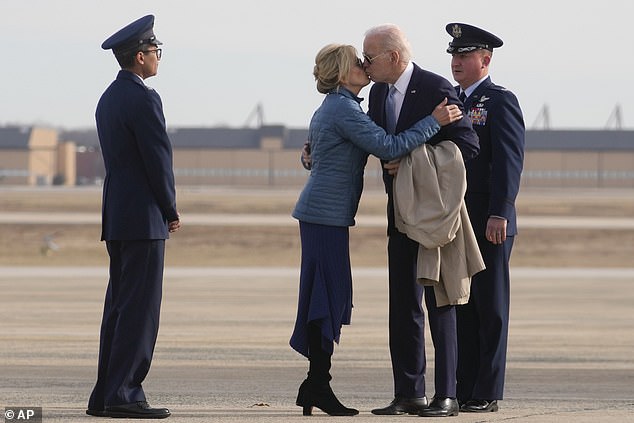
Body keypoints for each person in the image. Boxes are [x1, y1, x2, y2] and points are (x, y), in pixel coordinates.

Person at [290, 43, 464, 417]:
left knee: (328, 299)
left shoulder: (344, 107)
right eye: (357, 61)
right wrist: (435, 120)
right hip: (324, 216)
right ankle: (317, 384)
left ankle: (316, 384)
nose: (364, 65)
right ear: (342, 72)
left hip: (325, 216)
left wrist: (309, 154)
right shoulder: (342, 108)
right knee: (326, 300)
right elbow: (388, 146)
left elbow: (324, 150)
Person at [361, 24, 479, 418]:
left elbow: (467, 144)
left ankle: (447, 395)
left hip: (433, 218)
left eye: (370, 57)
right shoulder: (377, 93)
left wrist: (413, 161)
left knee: (440, 302)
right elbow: (370, 141)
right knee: (402, 306)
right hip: (399, 217)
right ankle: (408, 392)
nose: (365, 64)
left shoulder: (435, 88)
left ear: (394, 57)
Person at [86, 14, 181, 419]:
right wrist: (170, 209)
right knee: (140, 310)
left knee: (119, 308)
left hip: (118, 216)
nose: (159, 57)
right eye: (155, 51)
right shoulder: (145, 97)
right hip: (144, 219)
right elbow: (157, 159)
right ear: (140, 57)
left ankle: (105, 394)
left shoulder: (108, 97)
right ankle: (124, 395)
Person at [444, 23, 525, 413]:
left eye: (465, 56)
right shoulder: (448, 100)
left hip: (489, 220)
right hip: (457, 219)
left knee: (489, 306)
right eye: (454, 56)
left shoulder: (499, 101)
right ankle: (463, 386)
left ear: (485, 59)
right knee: (462, 304)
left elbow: (508, 161)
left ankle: (487, 391)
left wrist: (500, 212)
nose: (457, 62)